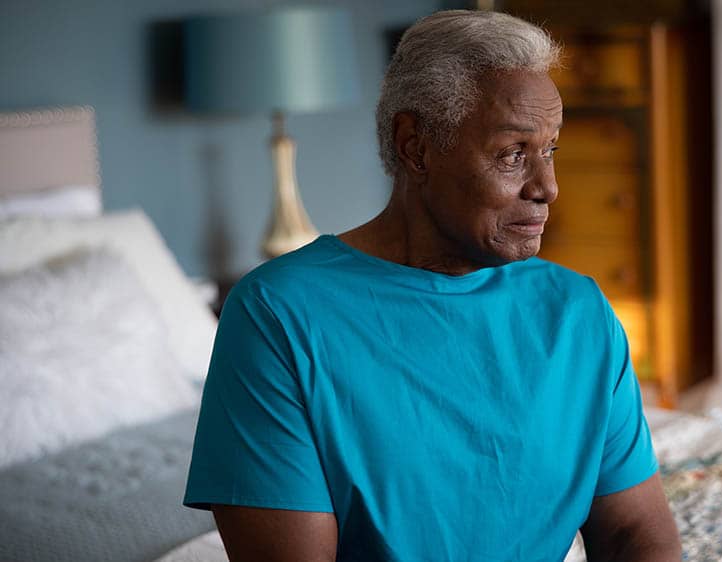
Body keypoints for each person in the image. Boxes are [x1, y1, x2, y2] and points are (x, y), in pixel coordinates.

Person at [184, 9, 682, 561]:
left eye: (550, 150)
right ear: (416, 146)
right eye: (513, 154)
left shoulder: (577, 310)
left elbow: (636, 530)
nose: (548, 186)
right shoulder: (278, 315)